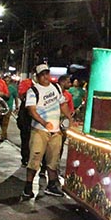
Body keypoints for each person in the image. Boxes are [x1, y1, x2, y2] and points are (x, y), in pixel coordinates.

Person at [21, 64, 71, 199]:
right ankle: (28, 186)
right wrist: (44, 123)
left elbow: (63, 104)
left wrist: (70, 118)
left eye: (47, 74)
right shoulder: (33, 91)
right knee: (35, 158)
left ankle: (52, 185)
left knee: (53, 160)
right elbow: (31, 110)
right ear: (37, 77)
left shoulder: (55, 88)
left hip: (56, 131)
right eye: (42, 74)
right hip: (39, 130)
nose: (45, 77)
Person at [16, 73, 34, 166]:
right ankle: (25, 158)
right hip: (26, 115)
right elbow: (21, 95)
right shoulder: (26, 83)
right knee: (25, 138)